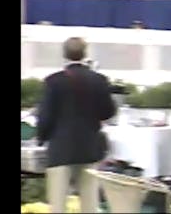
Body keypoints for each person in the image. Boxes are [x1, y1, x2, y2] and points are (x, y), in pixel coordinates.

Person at [37, 37, 116, 213]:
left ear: (64, 54)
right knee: (89, 203)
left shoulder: (54, 81)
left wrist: (41, 138)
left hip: (60, 149)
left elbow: (46, 115)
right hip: (89, 148)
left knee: (58, 204)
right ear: (85, 53)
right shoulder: (99, 80)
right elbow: (108, 112)